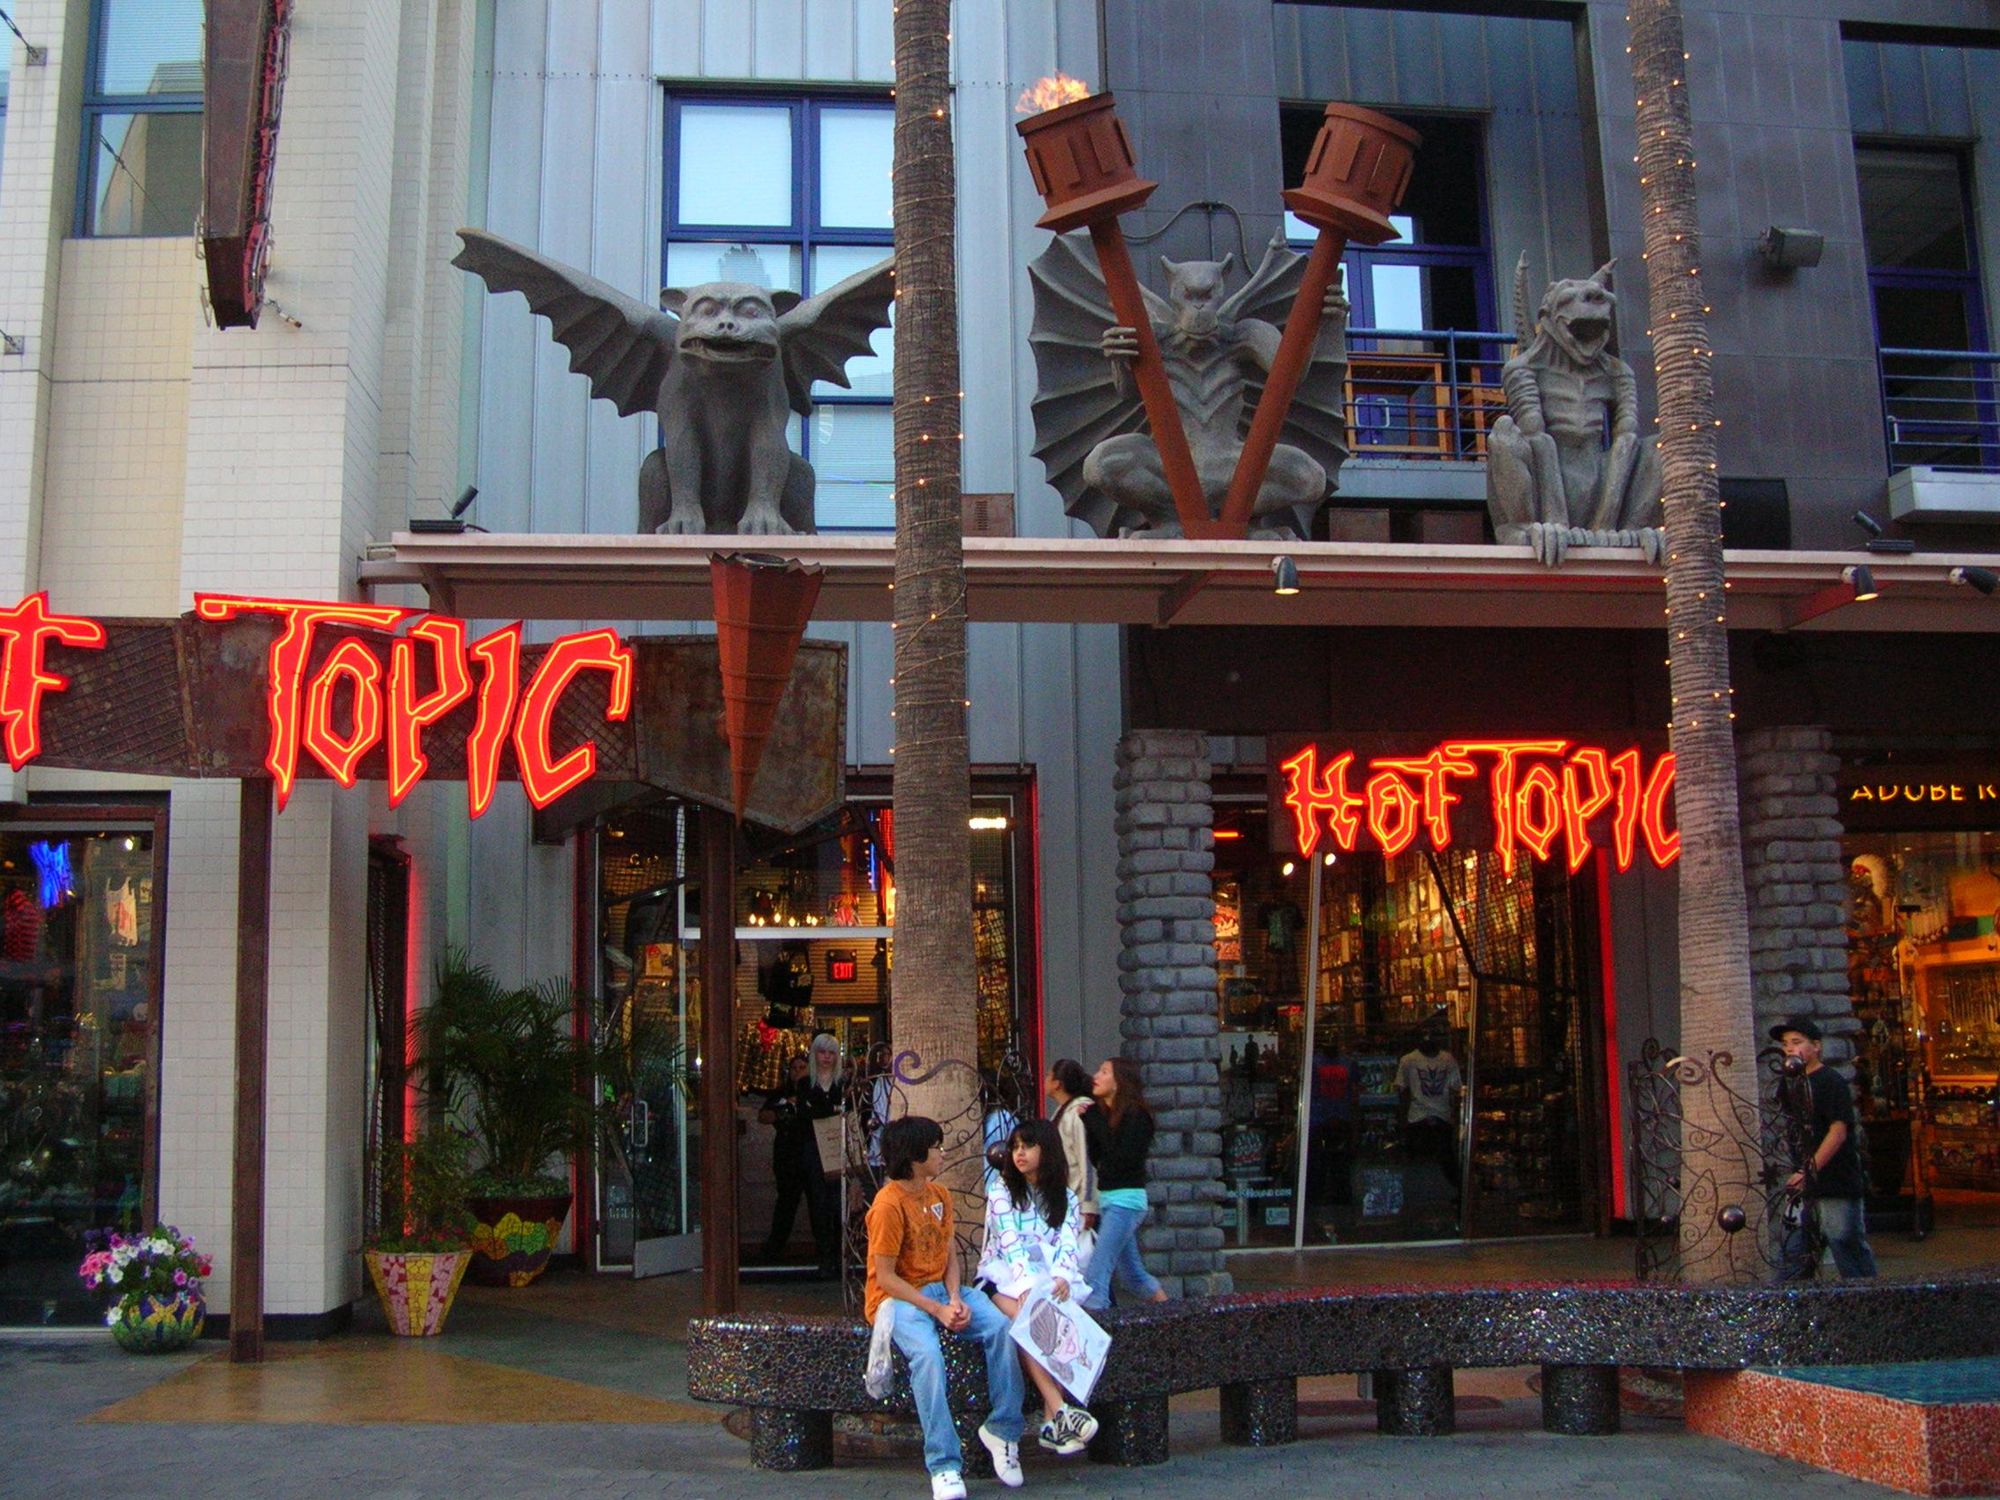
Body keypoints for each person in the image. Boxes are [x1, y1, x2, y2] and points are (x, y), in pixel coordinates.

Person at [867, 1116, 1028, 1499]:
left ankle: (1003, 1431)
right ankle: (944, 1464)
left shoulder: (940, 1195)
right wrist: (935, 1309)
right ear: (915, 1155)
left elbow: (950, 1255)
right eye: (936, 1147)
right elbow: (885, 1277)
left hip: (944, 1289)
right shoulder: (888, 1204)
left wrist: (955, 1298)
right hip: (899, 1299)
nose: (942, 1153)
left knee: (1003, 1328)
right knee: (928, 1356)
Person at [977, 1116, 1101, 1456]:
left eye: (1028, 1146)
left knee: (1054, 1317)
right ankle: (1059, 1410)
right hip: (1001, 1278)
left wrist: (1061, 1276)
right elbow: (1009, 1243)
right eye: (1015, 1146)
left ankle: (1052, 1423)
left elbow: (1067, 1245)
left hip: (1047, 1280)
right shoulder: (1001, 1191)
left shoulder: (1066, 1198)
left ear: (1047, 1150)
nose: (1019, 1153)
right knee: (1030, 1319)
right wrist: (1027, 1285)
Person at [1773, 1015, 1879, 1281]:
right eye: (1786, 1044)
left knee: (1846, 1247)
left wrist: (1810, 1169)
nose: (1790, 1049)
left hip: (1835, 1181)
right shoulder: (1789, 1084)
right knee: (1794, 1252)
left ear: (1816, 1046)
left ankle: (1869, 1304)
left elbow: (1838, 1131)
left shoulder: (1830, 1081)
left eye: (1797, 1042)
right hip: (1804, 1183)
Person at [1080, 1056, 1168, 1310]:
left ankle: (1093, 1342)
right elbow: (1099, 1159)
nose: (1096, 1075)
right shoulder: (1104, 1115)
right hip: (1109, 1200)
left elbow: (1121, 1159)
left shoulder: (1137, 1117)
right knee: (1133, 1277)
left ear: (1119, 1082)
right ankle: (1175, 1320)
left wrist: (1094, 1120)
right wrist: (1092, 1121)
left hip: (1126, 1203)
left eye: (1104, 1071)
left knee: (1096, 1275)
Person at [758, 1032, 844, 1275]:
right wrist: (830, 1110)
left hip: (837, 1151)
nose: (826, 1058)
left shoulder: (843, 1083)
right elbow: (806, 1116)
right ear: (814, 1054)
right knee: (817, 1204)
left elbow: (843, 1112)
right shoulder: (805, 1084)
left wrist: (822, 1110)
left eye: (831, 1053)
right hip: (811, 1152)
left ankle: (840, 1256)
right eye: (822, 1052)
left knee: (837, 1204)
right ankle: (826, 1256)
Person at [1046, 1059, 1097, 1232]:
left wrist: (1088, 1205)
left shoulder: (1078, 1112)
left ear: (1057, 1084)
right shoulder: (1062, 1111)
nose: (1045, 1080)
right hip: (1067, 1198)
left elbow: (1087, 1160)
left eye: (1048, 1076)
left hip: (1079, 1200)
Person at [1307, 1034, 1355, 1211]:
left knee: (1340, 1162)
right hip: (1319, 1119)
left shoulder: (1348, 1062)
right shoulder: (1313, 1062)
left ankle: (1341, 1195)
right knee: (1318, 1161)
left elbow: (1353, 1092)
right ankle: (1317, 1194)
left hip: (1341, 1118)